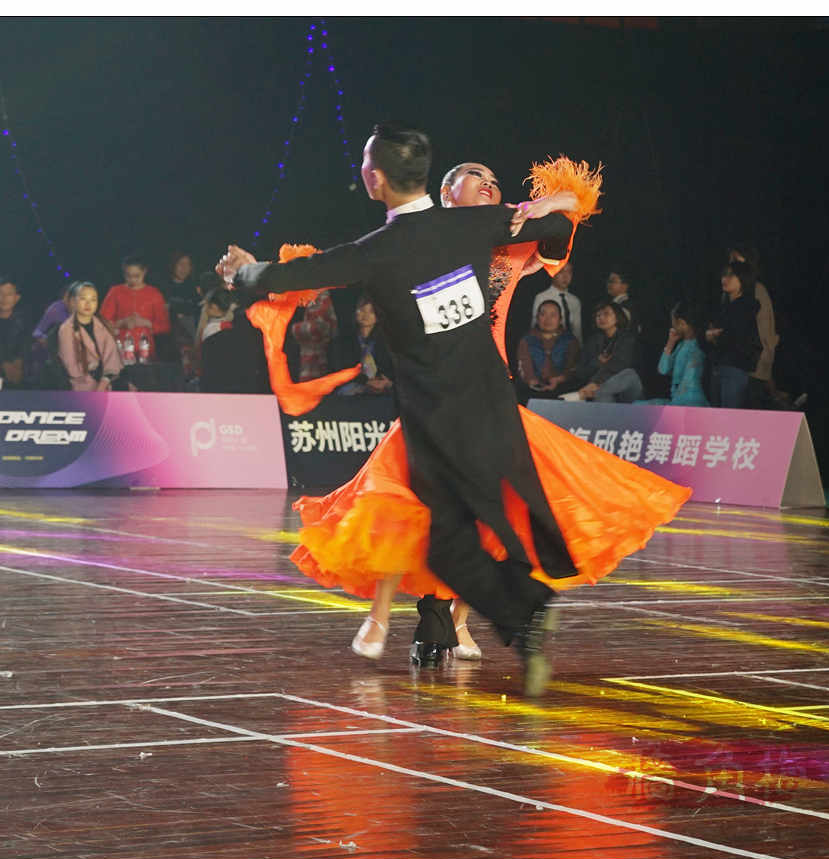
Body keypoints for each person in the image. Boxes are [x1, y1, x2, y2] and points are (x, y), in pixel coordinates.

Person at [220, 124, 599, 691]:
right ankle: (525, 615)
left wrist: (243, 273)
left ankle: (521, 612)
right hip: (493, 403)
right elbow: (560, 224)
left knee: (449, 541)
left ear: (376, 180)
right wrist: (543, 206)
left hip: (436, 418)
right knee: (465, 537)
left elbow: (297, 274)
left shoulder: (375, 251)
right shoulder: (475, 224)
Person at [727, 244, 781, 404]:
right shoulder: (730, 291)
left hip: (751, 370)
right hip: (731, 367)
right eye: (731, 260)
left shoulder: (757, 291)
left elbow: (766, 335)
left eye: (736, 260)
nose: (732, 264)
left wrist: (764, 373)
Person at [705, 261, 762, 408]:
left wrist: (715, 336)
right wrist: (710, 335)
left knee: (728, 416)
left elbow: (735, 336)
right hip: (717, 366)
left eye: (731, 275)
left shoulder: (747, 306)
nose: (725, 279)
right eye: (724, 275)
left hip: (734, 367)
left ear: (743, 279)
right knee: (716, 416)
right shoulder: (723, 306)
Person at [564, 301, 643, 402]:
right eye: (598, 315)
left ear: (617, 317)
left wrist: (596, 382)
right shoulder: (592, 341)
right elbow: (580, 372)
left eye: (606, 314)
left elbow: (620, 365)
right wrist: (598, 362)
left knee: (628, 373)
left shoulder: (628, 339)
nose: (601, 318)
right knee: (600, 394)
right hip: (598, 393)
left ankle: (585, 393)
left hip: (626, 391)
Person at [99, 255, 171, 364]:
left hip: (146, 351)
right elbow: (103, 320)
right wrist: (121, 323)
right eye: (128, 276)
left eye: (137, 276)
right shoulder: (116, 292)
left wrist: (146, 323)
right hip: (120, 350)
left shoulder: (154, 294)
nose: (132, 280)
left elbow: (165, 326)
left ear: (144, 272)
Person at [636, 301, 710, 407]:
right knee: (638, 405)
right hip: (678, 401)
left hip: (691, 403)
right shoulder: (681, 345)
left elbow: (688, 382)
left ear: (681, 323)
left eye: (673, 322)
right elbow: (663, 369)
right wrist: (670, 343)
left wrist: (674, 406)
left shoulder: (695, 348)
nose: (672, 326)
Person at [57, 281, 123, 392]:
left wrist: (105, 380)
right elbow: (72, 368)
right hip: (81, 386)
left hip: (105, 383)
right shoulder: (66, 329)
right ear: (74, 301)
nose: (88, 304)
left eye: (93, 300)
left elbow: (112, 358)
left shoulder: (101, 325)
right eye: (83, 299)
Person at [328, 295, 395, 396]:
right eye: (362, 310)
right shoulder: (343, 340)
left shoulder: (386, 340)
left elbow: (392, 367)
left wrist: (386, 381)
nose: (366, 315)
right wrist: (366, 382)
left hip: (381, 386)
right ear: (355, 312)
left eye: (371, 311)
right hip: (354, 385)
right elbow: (340, 368)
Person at [516, 299, 580, 400]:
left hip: (563, 389)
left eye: (553, 315)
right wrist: (533, 382)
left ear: (560, 319)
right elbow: (525, 366)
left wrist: (558, 380)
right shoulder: (527, 340)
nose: (547, 319)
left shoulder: (570, 340)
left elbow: (572, 368)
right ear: (537, 318)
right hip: (533, 390)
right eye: (543, 314)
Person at [531, 260, 582, 343]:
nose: (565, 276)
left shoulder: (575, 301)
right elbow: (534, 325)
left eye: (569, 272)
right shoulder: (541, 297)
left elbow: (577, 330)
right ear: (553, 273)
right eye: (561, 271)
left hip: (570, 345)